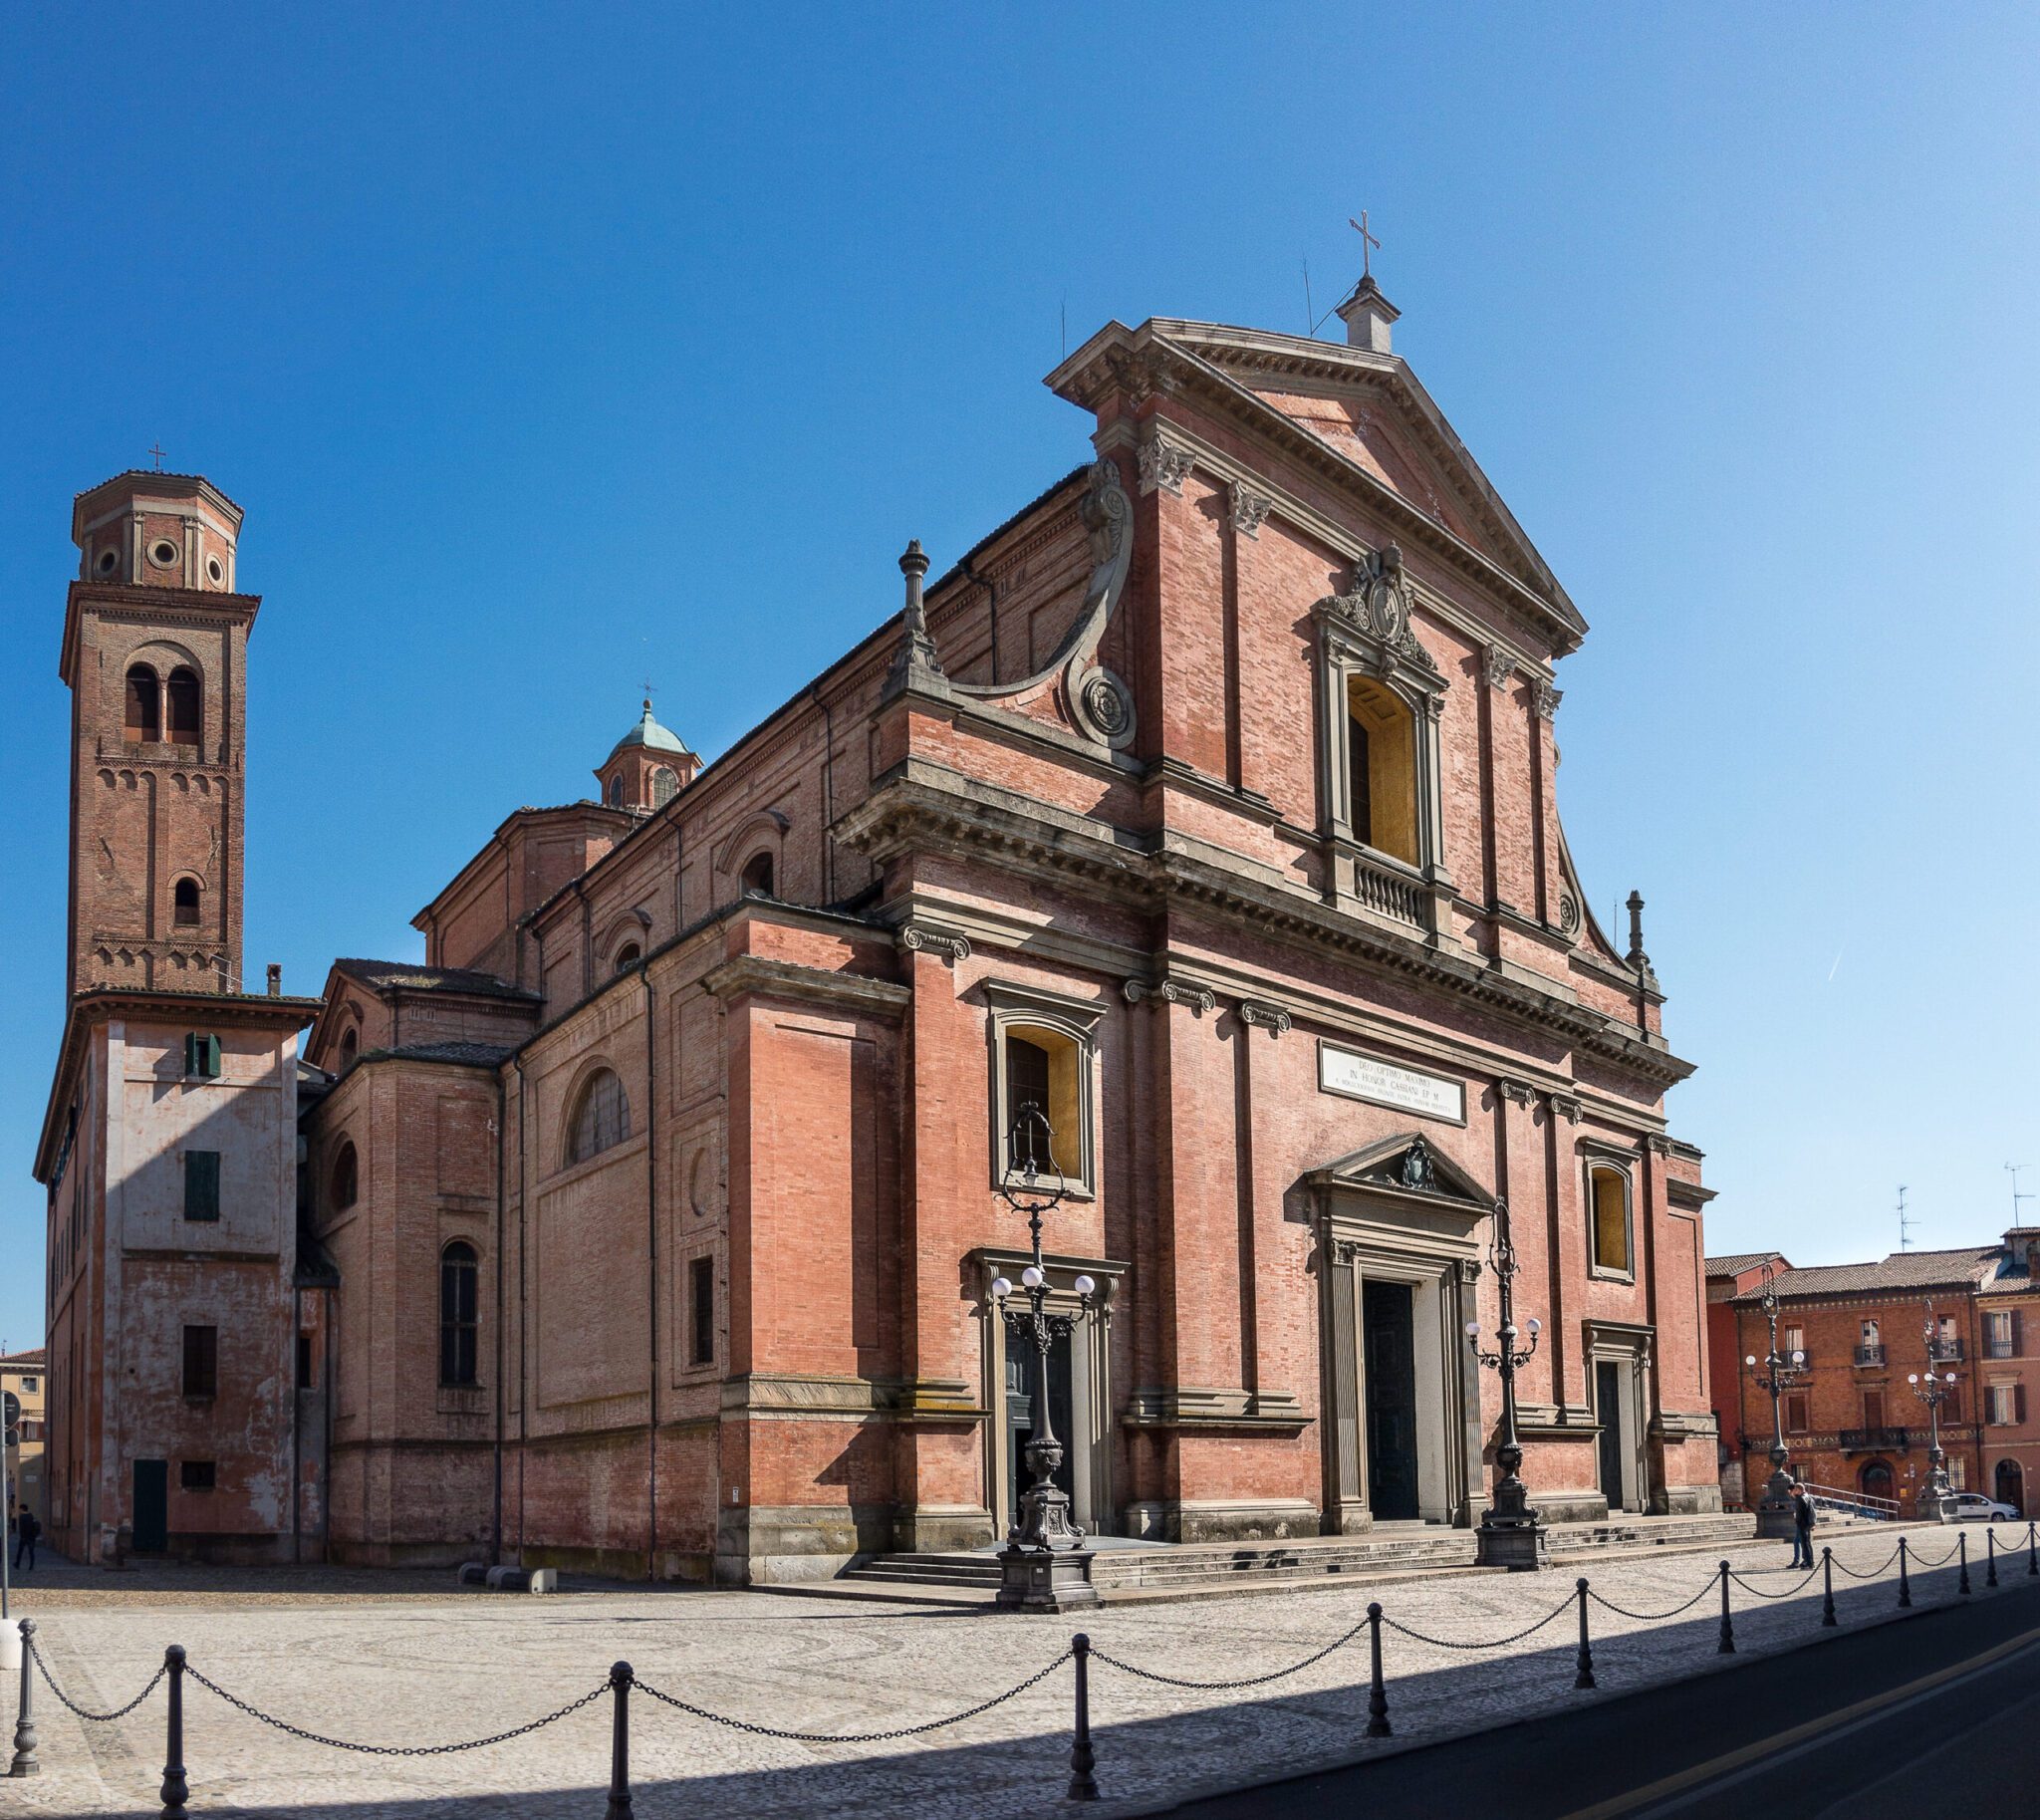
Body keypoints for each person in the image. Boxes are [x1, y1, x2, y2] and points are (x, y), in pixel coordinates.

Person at [1789, 1481, 1817, 1569]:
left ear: (1798, 1490)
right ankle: (1809, 1561)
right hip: (1807, 1524)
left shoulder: (1801, 1499)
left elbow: (1801, 1513)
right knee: (1807, 1543)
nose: (1794, 1492)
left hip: (1802, 1524)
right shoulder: (1808, 1497)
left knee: (1805, 1544)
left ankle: (1808, 1563)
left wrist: (1798, 1521)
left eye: (1795, 1490)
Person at [12, 1502, 39, 1571]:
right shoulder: (31, 1515)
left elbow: (22, 1528)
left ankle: (17, 1564)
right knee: (31, 1552)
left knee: (20, 1552)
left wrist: (22, 1537)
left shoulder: (21, 1517)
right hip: (31, 1537)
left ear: (22, 1509)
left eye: (19, 1509)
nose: (19, 1510)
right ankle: (31, 1566)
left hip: (24, 1537)